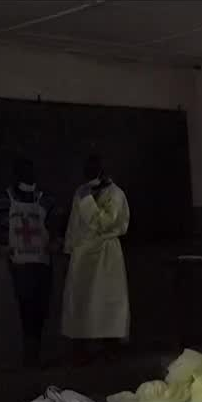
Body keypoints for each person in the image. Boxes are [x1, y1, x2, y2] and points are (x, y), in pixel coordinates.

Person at [0, 158, 57, 368]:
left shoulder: (44, 199)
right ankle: (30, 355)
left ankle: (35, 352)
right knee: (26, 306)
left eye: (31, 171)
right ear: (16, 174)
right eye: (24, 171)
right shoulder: (5, 199)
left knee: (41, 308)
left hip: (42, 262)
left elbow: (58, 221)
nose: (29, 175)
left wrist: (55, 240)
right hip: (20, 264)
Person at [62, 154, 130, 364]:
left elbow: (104, 222)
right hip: (83, 254)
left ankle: (110, 346)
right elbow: (74, 223)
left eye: (93, 167)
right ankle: (81, 348)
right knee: (81, 300)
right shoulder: (81, 191)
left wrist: (88, 202)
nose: (88, 171)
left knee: (106, 299)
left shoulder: (115, 193)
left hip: (106, 254)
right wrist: (69, 248)